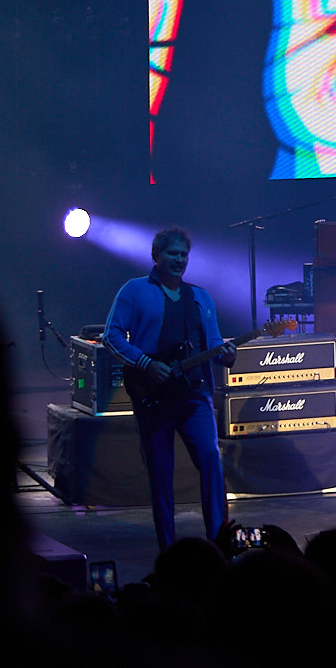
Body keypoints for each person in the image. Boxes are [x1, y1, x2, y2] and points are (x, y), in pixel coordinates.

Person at [102, 227, 237, 549]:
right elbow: (112, 336)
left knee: (211, 462)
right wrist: (146, 364)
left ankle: (219, 544)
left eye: (183, 254)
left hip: (195, 396)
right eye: (172, 253)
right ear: (156, 256)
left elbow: (214, 344)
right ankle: (168, 551)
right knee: (161, 477)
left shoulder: (201, 297)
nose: (179, 259)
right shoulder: (134, 291)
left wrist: (226, 356)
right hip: (155, 396)